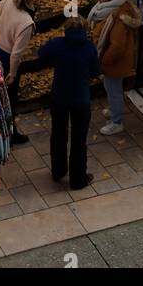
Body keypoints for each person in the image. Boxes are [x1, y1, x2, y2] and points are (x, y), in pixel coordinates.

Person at [38, 14, 100, 189]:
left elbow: (41, 53)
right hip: (81, 99)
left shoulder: (58, 44)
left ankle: (58, 171)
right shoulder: (89, 48)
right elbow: (95, 71)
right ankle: (78, 179)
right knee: (79, 140)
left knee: (58, 135)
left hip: (60, 97)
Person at [0, 0, 42, 144]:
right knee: (9, 100)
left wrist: (1, 30)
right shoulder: (26, 23)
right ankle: (9, 135)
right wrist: (12, 73)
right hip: (6, 58)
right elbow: (16, 54)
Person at [88, 0, 141, 135]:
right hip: (110, 61)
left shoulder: (119, 17)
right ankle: (113, 110)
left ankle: (116, 122)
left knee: (114, 91)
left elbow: (117, 47)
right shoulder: (113, 10)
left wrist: (103, 62)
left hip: (114, 63)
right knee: (110, 88)